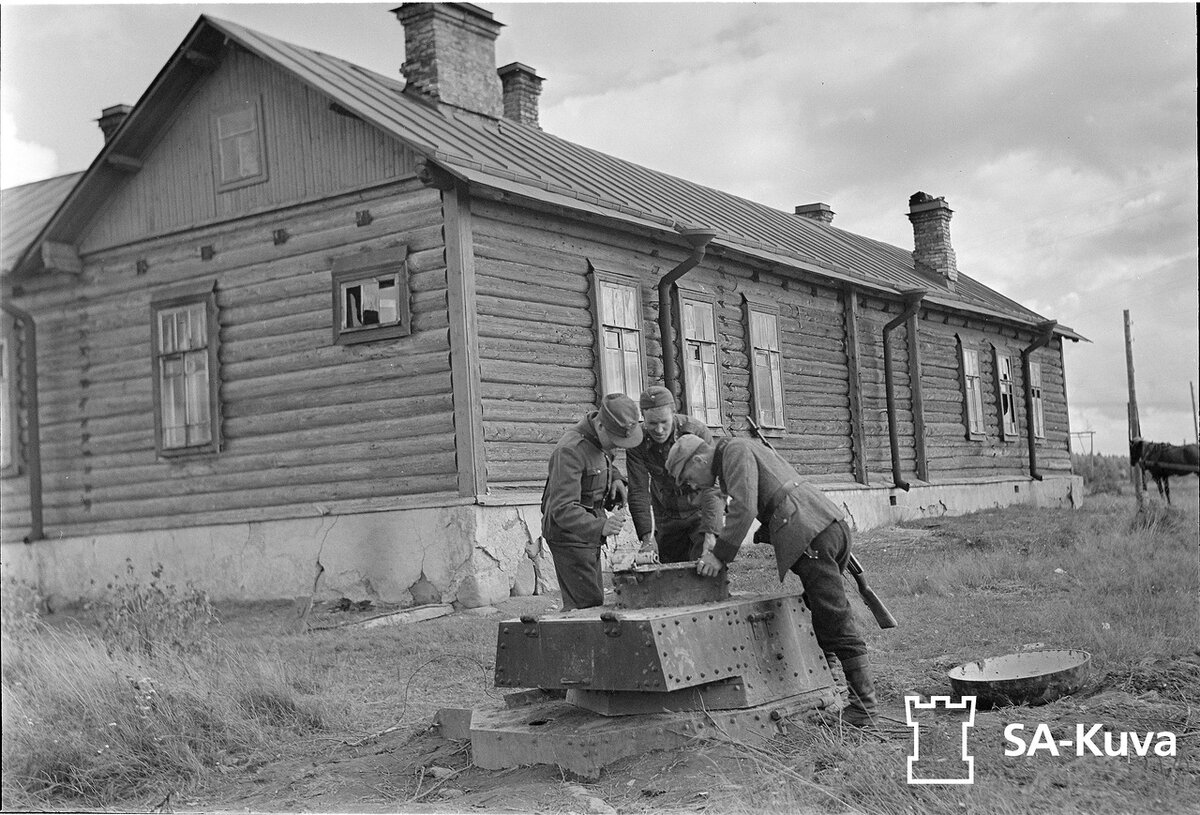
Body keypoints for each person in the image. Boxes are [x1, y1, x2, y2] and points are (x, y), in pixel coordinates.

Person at [664, 433, 879, 727]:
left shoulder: (733, 452)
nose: (693, 486)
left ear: (699, 460)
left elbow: (745, 507)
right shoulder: (737, 449)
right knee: (820, 609)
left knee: (832, 615)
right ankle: (829, 688)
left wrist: (720, 555)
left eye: (688, 477)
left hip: (809, 531)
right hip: (821, 523)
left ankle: (863, 708)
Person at [540, 393, 640, 610]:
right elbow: (563, 508)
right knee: (585, 607)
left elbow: (603, 460)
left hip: (586, 534)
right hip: (570, 537)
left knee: (591, 603)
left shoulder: (599, 439)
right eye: (615, 441)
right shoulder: (570, 450)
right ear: (602, 426)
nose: (617, 446)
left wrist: (616, 478)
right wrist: (601, 526)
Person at [625, 386, 724, 563]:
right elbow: (638, 491)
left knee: (705, 568)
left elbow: (712, 486)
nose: (659, 430)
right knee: (669, 575)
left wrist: (711, 532)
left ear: (673, 413)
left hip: (699, 511)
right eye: (652, 424)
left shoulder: (697, 432)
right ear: (643, 417)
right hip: (666, 516)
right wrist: (647, 537)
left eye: (664, 422)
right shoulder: (636, 441)